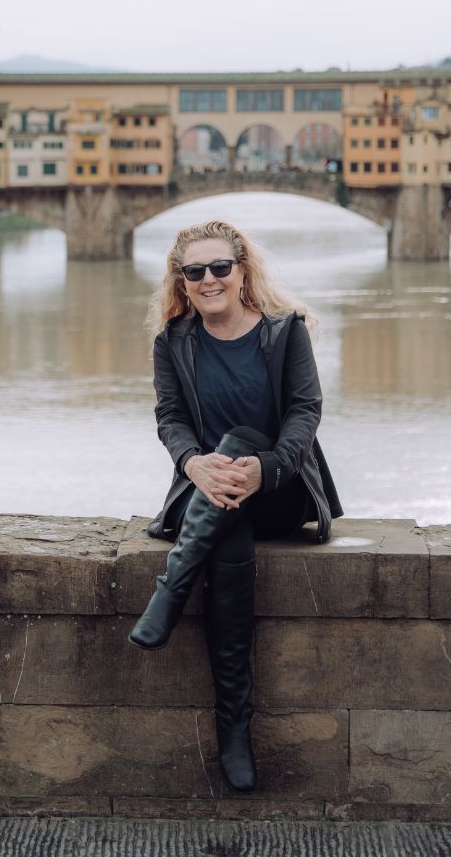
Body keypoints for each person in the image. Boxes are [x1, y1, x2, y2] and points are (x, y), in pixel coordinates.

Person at [130, 219, 342, 794]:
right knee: (226, 512)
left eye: (219, 267)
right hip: (207, 494)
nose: (208, 279)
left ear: (242, 270)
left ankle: (171, 589)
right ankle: (234, 731)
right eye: (194, 271)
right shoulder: (173, 342)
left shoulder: (284, 332)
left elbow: (305, 411)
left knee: (242, 442)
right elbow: (170, 419)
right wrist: (194, 463)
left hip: (280, 488)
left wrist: (264, 468)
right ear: (182, 280)